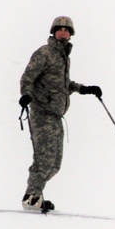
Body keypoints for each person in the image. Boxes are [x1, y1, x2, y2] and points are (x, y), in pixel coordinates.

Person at [18, 16, 101, 211]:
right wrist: (26, 95)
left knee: (55, 163)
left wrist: (84, 89)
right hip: (42, 113)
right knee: (43, 160)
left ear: (71, 34)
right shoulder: (44, 53)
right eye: (59, 29)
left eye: (66, 29)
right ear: (53, 32)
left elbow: (64, 85)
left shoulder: (64, 57)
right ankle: (31, 198)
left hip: (56, 115)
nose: (63, 32)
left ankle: (36, 195)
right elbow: (27, 77)